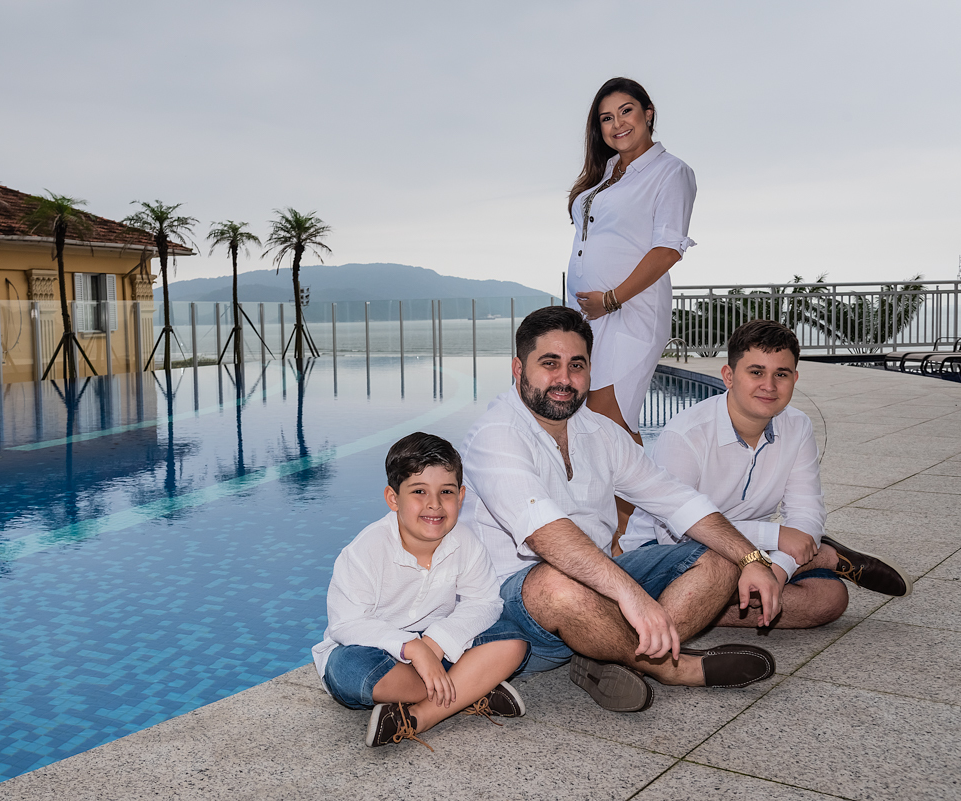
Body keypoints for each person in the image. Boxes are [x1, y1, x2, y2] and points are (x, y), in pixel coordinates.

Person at [460, 306, 781, 714]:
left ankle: (603, 652)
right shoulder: (496, 435)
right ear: (517, 369)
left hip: (598, 586)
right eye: (549, 364)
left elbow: (675, 498)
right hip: (517, 607)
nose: (564, 379)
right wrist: (631, 596)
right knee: (556, 584)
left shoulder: (600, 431)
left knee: (720, 562)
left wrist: (750, 556)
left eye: (577, 365)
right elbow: (544, 532)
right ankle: (669, 667)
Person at [619, 320, 912, 628]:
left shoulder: (797, 427)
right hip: (667, 552)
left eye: (781, 374)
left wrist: (778, 571)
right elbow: (673, 536)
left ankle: (686, 609)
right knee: (714, 574)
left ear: (795, 378)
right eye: (756, 372)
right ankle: (825, 556)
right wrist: (775, 537)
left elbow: (806, 514)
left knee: (830, 599)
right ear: (729, 376)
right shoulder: (687, 434)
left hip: (753, 551)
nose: (769, 386)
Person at [312, 432, 530, 751]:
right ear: (393, 498)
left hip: (437, 647)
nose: (434, 504)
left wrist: (435, 642)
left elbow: (484, 602)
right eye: (419, 491)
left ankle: (419, 717)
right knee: (350, 670)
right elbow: (346, 625)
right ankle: (470, 688)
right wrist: (412, 648)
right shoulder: (364, 551)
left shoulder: (465, 543)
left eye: (446, 491)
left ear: (462, 495)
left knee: (512, 640)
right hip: (376, 651)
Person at [567, 76, 697, 441]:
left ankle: (629, 499)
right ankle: (603, 500)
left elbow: (668, 249)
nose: (617, 123)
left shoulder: (671, 172)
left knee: (612, 425)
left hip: (629, 311)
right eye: (606, 118)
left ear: (648, 114)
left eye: (626, 111)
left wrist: (610, 300)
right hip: (588, 314)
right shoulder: (606, 173)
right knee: (588, 426)